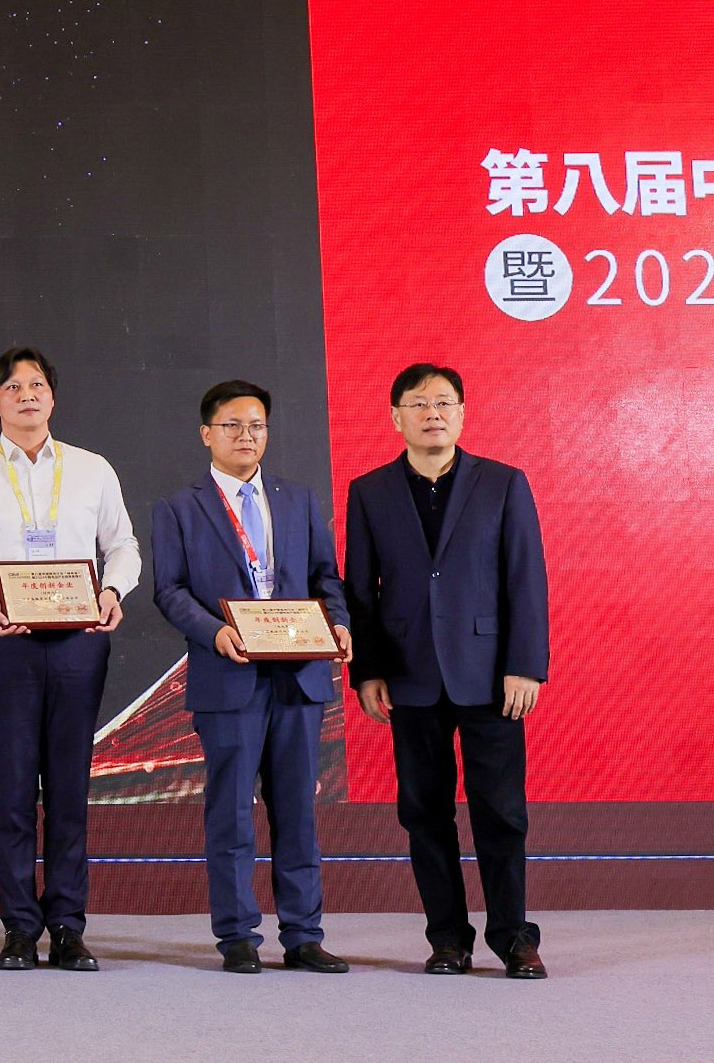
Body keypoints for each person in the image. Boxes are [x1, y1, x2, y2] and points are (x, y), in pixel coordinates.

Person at [0, 347, 141, 972]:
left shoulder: (92, 469)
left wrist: (112, 590)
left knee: (71, 788)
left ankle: (68, 926)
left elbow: (123, 545)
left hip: (79, 641)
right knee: (15, 788)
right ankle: (20, 927)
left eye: (38, 385)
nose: (28, 395)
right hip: (6, 639)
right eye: (14, 387)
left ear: (53, 396)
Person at [345, 363, 551, 979]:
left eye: (443, 402)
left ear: (461, 412)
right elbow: (361, 591)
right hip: (409, 675)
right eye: (418, 403)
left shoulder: (503, 482)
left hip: (490, 676)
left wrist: (524, 666)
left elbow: (526, 578)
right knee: (423, 814)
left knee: (501, 813)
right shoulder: (370, 490)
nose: (432, 413)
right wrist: (368, 670)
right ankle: (447, 940)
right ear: (396, 417)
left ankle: (514, 938)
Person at [148, 380, 352, 974]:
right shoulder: (178, 508)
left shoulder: (298, 500)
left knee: (298, 811)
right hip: (228, 673)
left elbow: (326, 577)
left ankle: (304, 934)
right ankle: (237, 934)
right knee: (232, 812)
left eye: (257, 425)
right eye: (232, 425)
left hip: (298, 677)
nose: (246, 435)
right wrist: (215, 633)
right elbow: (169, 590)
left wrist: (338, 623)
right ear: (206, 434)